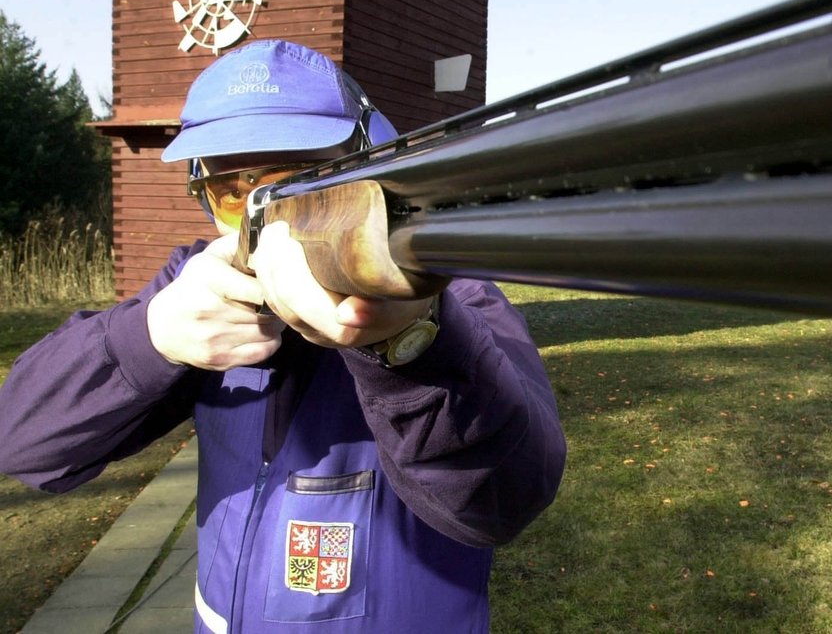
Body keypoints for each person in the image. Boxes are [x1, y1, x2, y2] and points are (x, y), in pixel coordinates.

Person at [0, 40, 566, 633]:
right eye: (235, 189)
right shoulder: (203, 285)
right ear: (204, 195)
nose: (262, 218)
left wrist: (413, 342)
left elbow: (503, 502)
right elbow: (26, 445)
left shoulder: (450, 297)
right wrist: (150, 337)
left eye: (302, 181)